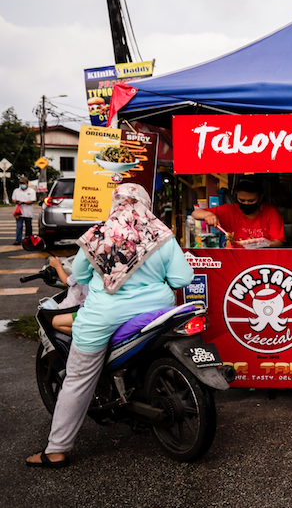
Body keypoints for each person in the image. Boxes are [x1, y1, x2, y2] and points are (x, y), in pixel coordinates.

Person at [26, 184, 193, 468]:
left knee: (78, 379)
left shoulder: (99, 235)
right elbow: (182, 278)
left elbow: (77, 274)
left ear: (114, 203)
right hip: (156, 312)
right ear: (146, 202)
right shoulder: (162, 235)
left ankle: (56, 451)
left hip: (104, 315)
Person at [192, 176, 285, 247]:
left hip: (263, 260)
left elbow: (278, 241)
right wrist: (208, 215)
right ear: (236, 196)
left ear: (260, 197)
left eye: (251, 201)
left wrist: (260, 244)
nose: (246, 203)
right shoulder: (229, 210)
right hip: (235, 260)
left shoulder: (271, 212)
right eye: (242, 200)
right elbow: (195, 213)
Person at [47, 256, 87, 335]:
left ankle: (84, 336)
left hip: (90, 311)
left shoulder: (87, 264)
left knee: (55, 322)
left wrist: (57, 266)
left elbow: (68, 281)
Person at [12, 176, 36, 245]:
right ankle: (18, 240)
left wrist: (22, 202)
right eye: (20, 183)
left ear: (27, 184)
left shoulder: (31, 191)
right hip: (19, 212)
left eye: (23, 183)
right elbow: (13, 199)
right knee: (19, 227)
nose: (22, 184)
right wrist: (16, 201)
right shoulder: (16, 191)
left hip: (28, 212)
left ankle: (28, 240)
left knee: (28, 227)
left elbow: (32, 200)